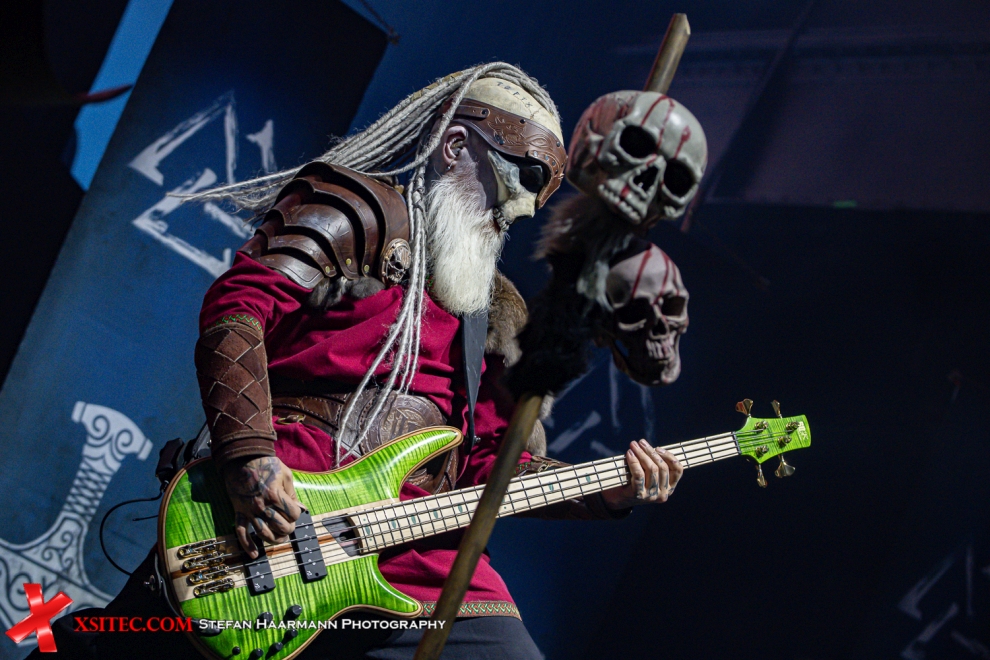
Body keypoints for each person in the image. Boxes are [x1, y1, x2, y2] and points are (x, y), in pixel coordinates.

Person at [36, 63, 683, 660]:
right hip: (291, 513)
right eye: (523, 177)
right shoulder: (361, 208)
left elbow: (488, 460)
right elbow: (238, 309)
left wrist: (608, 492)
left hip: (413, 551)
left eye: (543, 193)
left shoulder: (490, 310)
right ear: (456, 146)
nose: (522, 208)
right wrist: (250, 456)